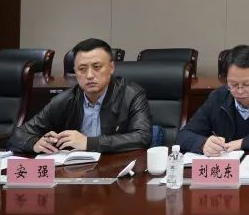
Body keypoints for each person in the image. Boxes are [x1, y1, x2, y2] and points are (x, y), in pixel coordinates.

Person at [9, 38, 151, 153]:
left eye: (97, 67)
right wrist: (34, 143)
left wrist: (89, 143)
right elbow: (18, 135)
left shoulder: (130, 94)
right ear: (75, 71)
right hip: (75, 171)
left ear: (111, 67)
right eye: (82, 69)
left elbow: (142, 137)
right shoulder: (65, 100)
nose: (89, 75)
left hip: (116, 169)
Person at [178, 44, 249, 155]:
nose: (240, 91)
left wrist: (243, 143)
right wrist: (203, 144)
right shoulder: (218, 97)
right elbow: (183, 136)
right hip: (229, 167)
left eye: (247, 84)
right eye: (233, 84)